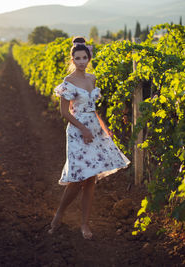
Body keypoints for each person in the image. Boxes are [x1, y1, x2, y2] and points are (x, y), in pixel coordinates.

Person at [48, 36, 130, 240]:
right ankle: (59, 213)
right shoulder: (68, 82)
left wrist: (104, 127)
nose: (82, 61)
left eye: (85, 57)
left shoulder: (92, 79)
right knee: (77, 179)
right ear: (72, 60)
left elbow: (93, 109)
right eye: (78, 58)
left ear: (89, 57)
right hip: (77, 131)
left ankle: (85, 224)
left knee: (91, 178)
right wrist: (83, 129)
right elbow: (65, 113)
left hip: (94, 129)